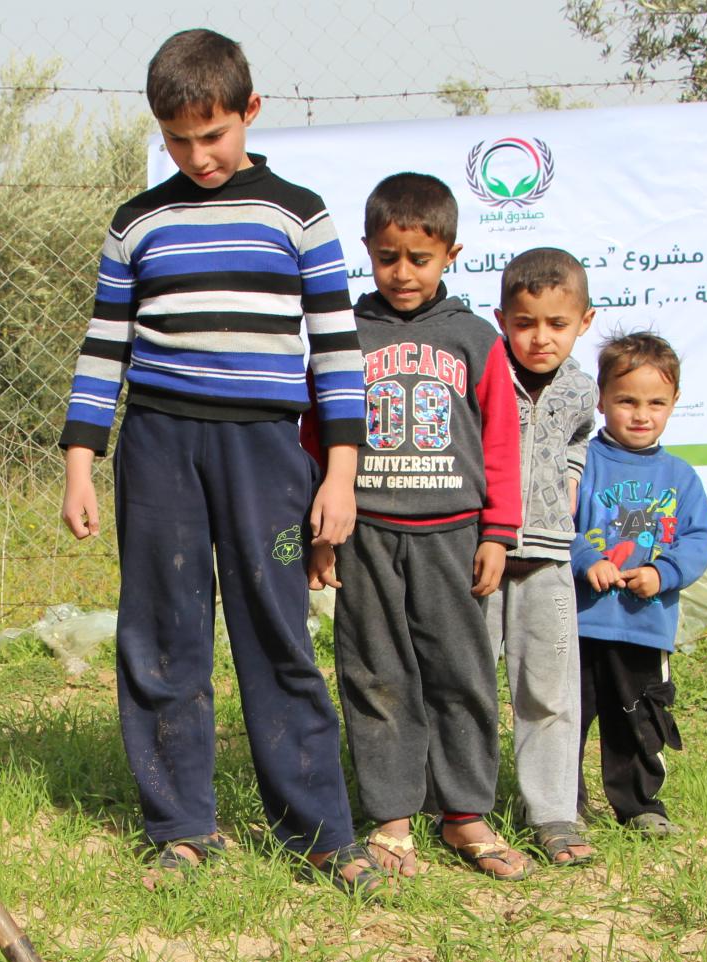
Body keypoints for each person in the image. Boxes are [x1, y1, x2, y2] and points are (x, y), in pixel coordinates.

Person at [58, 29, 386, 894]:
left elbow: (338, 354)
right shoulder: (138, 223)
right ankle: (181, 826)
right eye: (178, 139)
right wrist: (82, 460)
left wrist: (341, 472)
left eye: (214, 134)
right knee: (163, 633)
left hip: (269, 457)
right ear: (159, 131)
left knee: (276, 629)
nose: (199, 155)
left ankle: (317, 830)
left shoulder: (300, 214)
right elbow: (104, 349)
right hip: (160, 449)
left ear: (249, 112)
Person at [305, 173, 532, 880]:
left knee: (460, 674)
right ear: (368, 250)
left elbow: (501, 441)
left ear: (451, 254)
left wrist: (498, 533)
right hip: (366, 534)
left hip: (454, 537)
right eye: (388, 256)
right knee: (376, 675)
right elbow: (317, 436)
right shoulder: (345, 333)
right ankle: (393, 817)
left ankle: (466, 814)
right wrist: (319, 532)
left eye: (420, 258)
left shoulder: (474, 339)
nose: (402, 273)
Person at [571, 332, 707, 833]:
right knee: (566, 717)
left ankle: (639, 806)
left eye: (656, 402)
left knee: (638, 718)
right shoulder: (583, 463)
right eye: (626, 400)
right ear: (601, 399)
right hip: (581, 622)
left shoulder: (681, 477)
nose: (641, 414)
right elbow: (553, 522)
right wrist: (586, 558)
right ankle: (562, 804)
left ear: (675, 403)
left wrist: (663, 573)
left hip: (643, 627)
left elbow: (699, 539)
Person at [484, 248, 600, 867]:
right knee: (469, 682)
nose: (540, 338)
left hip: (550, 559)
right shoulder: (485, 372)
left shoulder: (582, 387)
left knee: (549, 690)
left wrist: (573, 473)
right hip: (485, 555)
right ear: (502, 318)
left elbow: (581, 436)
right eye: (526, 323)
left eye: (557, 325)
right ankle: (460, 804)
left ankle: (554, 811)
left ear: (584, 321)